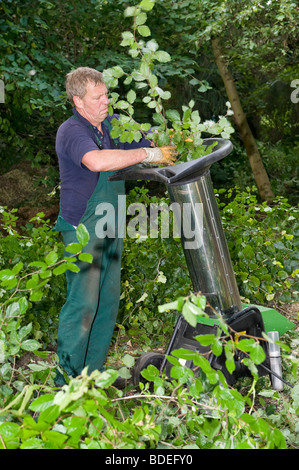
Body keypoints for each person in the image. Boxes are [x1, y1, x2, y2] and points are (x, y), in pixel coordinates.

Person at [53, 66, 177, 387]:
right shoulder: (72, 131)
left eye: (106, 94)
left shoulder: (109, 126)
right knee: (83, 303)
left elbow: (150, 143)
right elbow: (97, 161)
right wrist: (148, 152)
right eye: (98, 97)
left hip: (110, 224)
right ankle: (64, 385)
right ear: (78, 102)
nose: (106, 101)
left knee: (106, 304)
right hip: (83, 228)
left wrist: (171, 142)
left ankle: (90, 379)